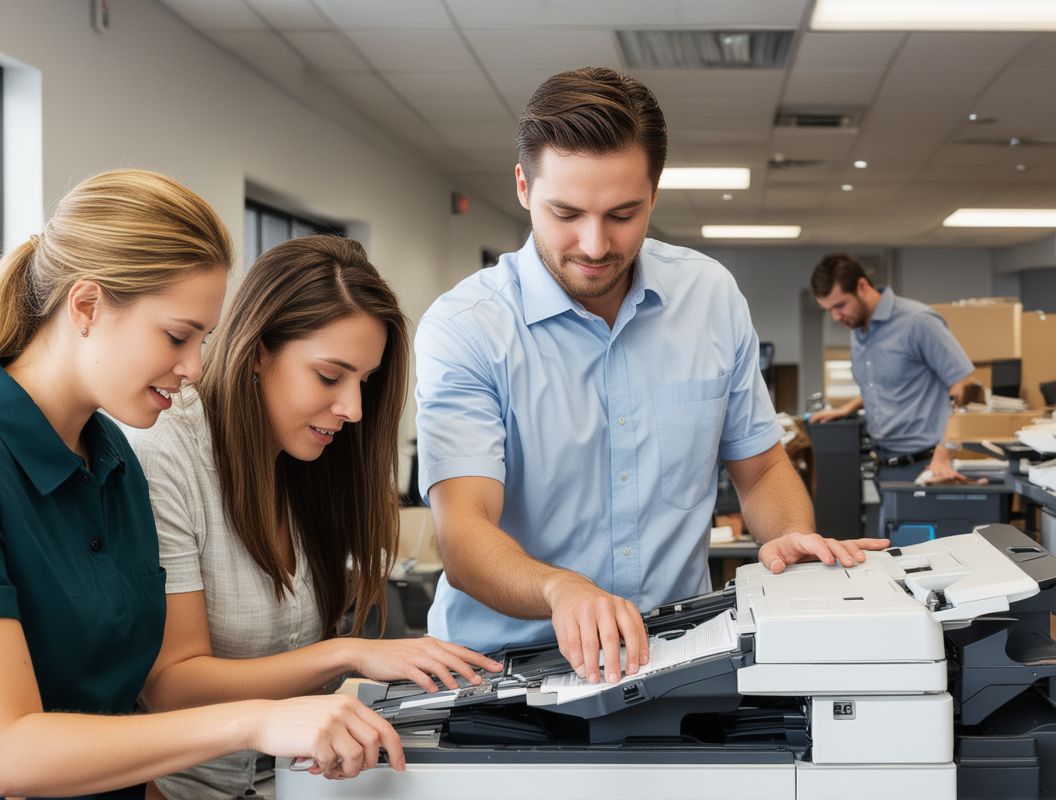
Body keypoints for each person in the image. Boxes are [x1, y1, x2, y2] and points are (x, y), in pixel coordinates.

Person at [0, 170, 403, 799]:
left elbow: (113, 714)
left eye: (202, 339)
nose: (195, 369)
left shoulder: (110, 457)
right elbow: (4, 755)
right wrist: (256, 720)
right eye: (177, 336)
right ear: (86, 306)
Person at [413, 67, 889, 687]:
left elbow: (764, 466)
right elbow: (465, 532)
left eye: (622, 214)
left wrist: (793, 537)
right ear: (525, 187)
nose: (593, 244)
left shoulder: (710, 297)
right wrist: (562, 590)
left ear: (654, 194)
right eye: (566, 213)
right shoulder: (466, 326)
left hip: (676, 653)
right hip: (503, 669)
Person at [133, 235, 500, 800]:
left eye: (365, 382)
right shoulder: (167, 451)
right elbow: (171, 686)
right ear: (258, 351)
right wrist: (349, 651)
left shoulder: (304, 463)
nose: (353, 410)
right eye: (330, 377)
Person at [810, 253, 976, 486]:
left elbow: (964, 386)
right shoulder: (858, 329)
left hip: (927, 466)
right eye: (829, 310)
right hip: (885, 465)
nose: (836, 316)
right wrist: (848, 407)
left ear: (862, 286)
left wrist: (943, 454)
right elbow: (881, 382)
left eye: (840, 305)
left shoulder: (918, 321)